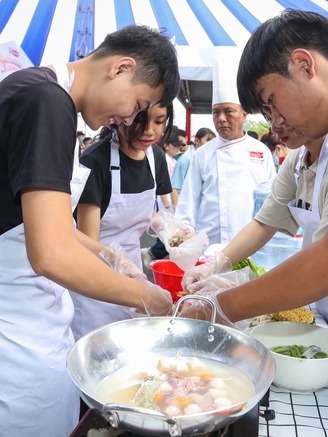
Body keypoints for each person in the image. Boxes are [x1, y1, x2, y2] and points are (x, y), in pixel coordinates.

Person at [0, 23, 180, 437]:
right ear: (120, 67)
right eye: (138, 104)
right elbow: (51, 253)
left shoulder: (34, 90)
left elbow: (49, 225)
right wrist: (147, 296)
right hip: (17, 333)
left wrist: (110, 255)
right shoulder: (48, 101)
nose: (130, 119)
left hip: (32, 317)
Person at [178, 9, 328, 327]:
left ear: (304, 64)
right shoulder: (300, 159)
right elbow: (264, 223)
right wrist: (215, 264)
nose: (274, 123)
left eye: (271, 100)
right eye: (266, 111)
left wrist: (221, 306)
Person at [71, 103, 173, 340]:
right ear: (122, 117)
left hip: (135, 272)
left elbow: (148, 213)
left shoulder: (155, 157)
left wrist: (169, 231)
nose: (150, 131)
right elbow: (86, 242)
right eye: (140, 121)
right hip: (96, 280)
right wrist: (117, 260)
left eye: (159, 122)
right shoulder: (96, 160)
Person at [174, 52, 275, 246]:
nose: (221, 118)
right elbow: (188, 203)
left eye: (228, 111)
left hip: (250, 247)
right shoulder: (201, 154)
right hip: (208, 247)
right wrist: (184, 243)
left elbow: (270, 201)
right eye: (216, 112)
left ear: (244, 114)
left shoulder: (261, 153)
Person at [170, 127, 217, 212]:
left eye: (213, 141)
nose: (211, 144)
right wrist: (176, 211)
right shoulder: (186, 159)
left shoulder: (209, 160)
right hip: (185, 207)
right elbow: (174, 187)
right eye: (208, 140)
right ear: (197, 141)